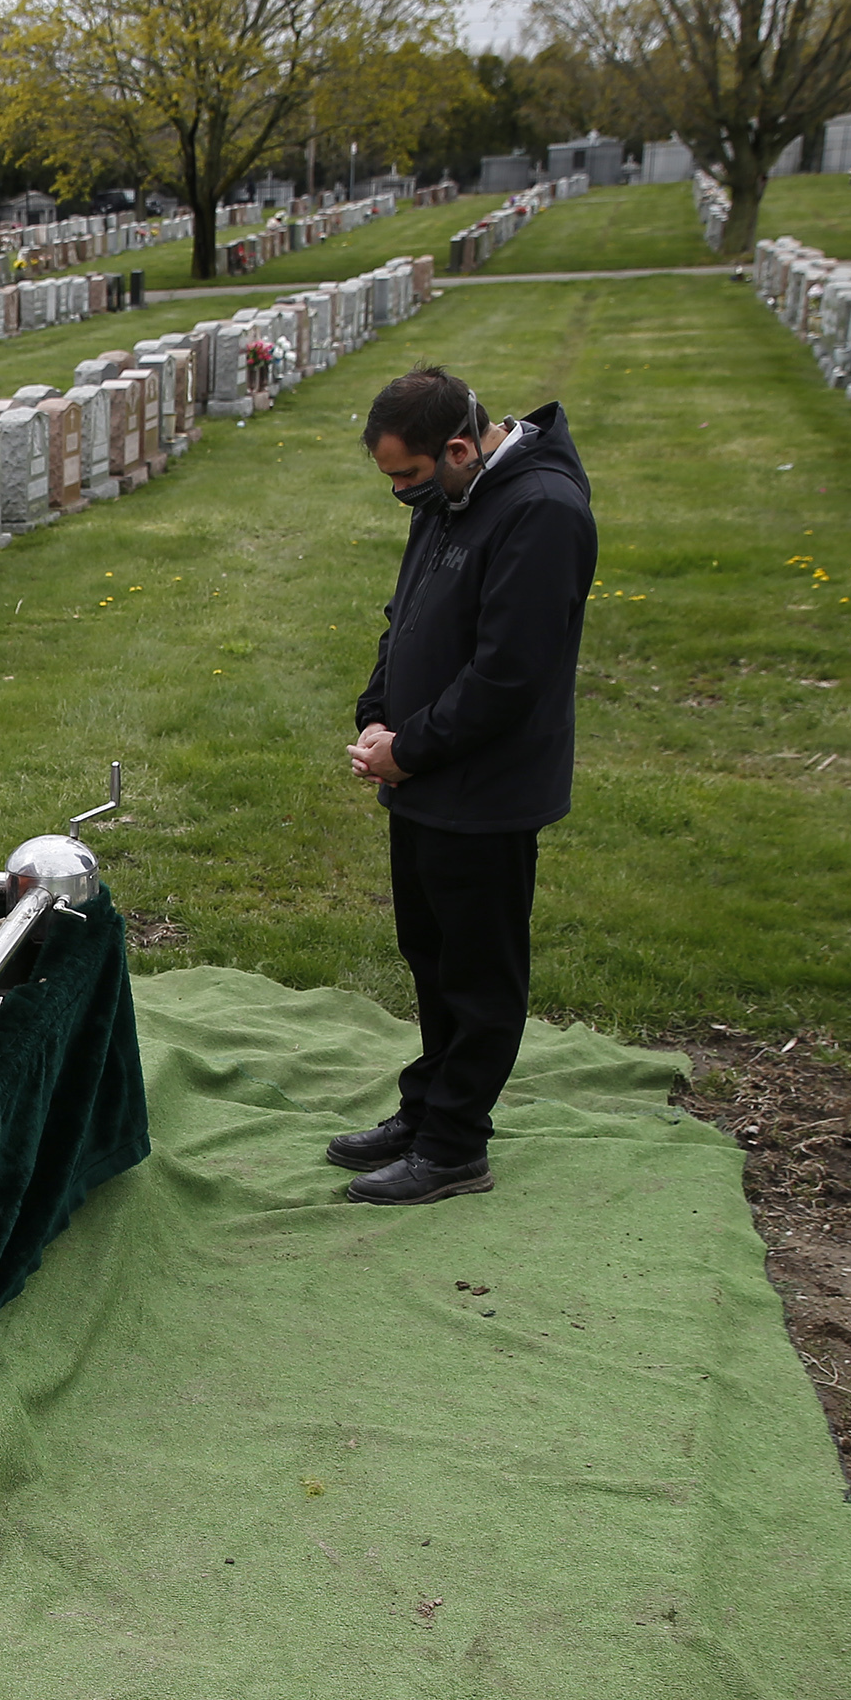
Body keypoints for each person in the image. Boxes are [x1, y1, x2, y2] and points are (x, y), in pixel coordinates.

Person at [335, 367, 598, 1207]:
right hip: (421, 773)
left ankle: (455, 1146)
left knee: (479, 976)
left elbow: (508, 675)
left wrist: (410, 749)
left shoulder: (542, 510)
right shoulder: (452, 494)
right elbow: (405, 613)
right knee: (431, 955)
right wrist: (379, 713)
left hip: (484, 789)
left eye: (407, 477)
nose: (401, 496)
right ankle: (426, 1108)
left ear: (457, 446)